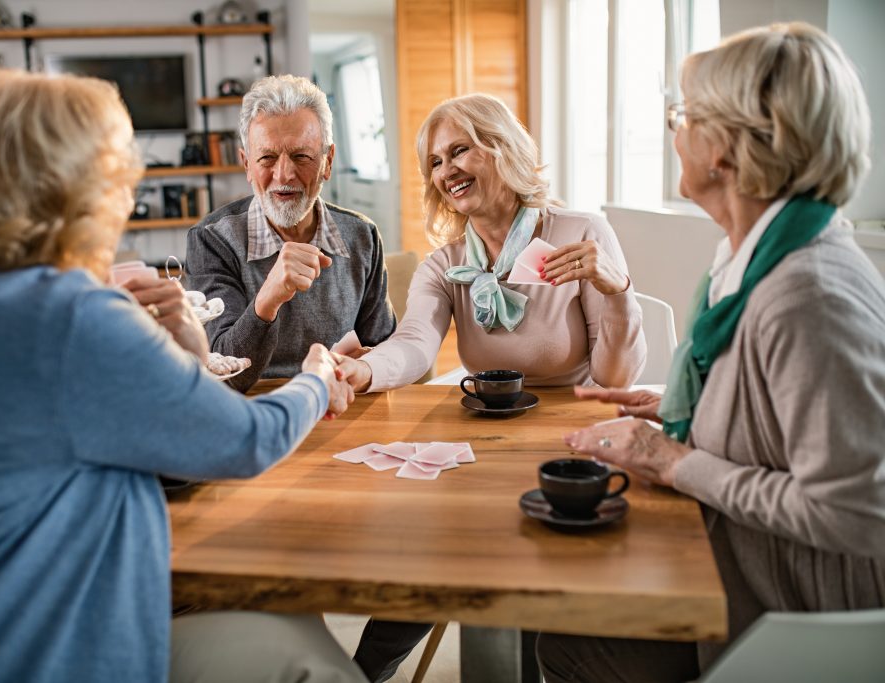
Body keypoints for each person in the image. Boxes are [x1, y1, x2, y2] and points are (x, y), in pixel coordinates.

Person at [0, 69, 364, 683]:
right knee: (311, 661)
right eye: (115, 175)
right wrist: (315, 377)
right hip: (25, 653)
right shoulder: (66, 311)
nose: (124, 195)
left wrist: (180, 352)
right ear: (67, 187)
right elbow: (245, 440)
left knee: (289, 615)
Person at [539, 22, 885, 682]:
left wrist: (674, 459)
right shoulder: (749, 256)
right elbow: (778, 419)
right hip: (746, 569)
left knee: (570, 640)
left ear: (722, 148)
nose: (675, 130)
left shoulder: (806, 294)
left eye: (684, 115)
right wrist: (676, 408)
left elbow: (853, 512)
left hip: (797, 616)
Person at [344, 93, 647, 683]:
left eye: (461, 150)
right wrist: (365, 371)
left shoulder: (580, 233)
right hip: (485, 439)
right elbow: (413, 346)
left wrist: (618, 288)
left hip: (570, 442)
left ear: (503, 149)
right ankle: (358, 675)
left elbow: (615, 380)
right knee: (431, 550)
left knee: (534, 563)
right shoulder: (447, 263)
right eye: (436, 161)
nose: (447, 170)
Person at [185, 74, 396, 392]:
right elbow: (226, 379)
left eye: (301, 156)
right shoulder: (211, 239)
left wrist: (368, 365)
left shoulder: (362, 235)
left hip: (340, 406)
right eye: (267, 158)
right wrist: (268, 298)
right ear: (246, 164)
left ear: (327, 161)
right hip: (255, 413)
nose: (284, 174)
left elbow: (386, 356)